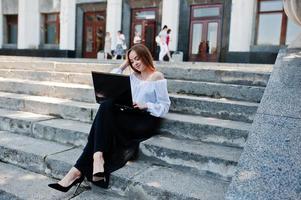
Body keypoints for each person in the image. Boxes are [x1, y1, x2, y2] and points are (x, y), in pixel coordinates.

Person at [48, 44, 171, 192]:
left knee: (103, 120)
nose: (136, 63)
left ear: (145, 56)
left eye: (138, 59)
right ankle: (95, 159)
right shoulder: (133, 76)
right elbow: (112, 79)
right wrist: (125, 63)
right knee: (106, 104)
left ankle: (77, 171)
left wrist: (147, 105)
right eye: (132, 61)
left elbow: (164, 106)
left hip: (145, 120)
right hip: (130, 115)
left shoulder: (157, 76)